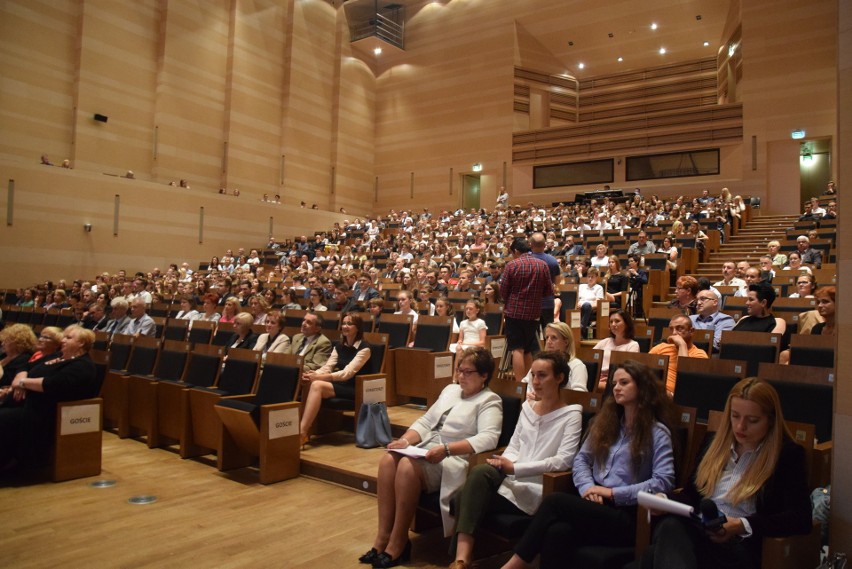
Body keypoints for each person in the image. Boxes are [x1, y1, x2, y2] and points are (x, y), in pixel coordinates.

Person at [501, 360, 677, 569]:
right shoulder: (606, 424)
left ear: (642, 388)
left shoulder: (657, 433)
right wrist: (587, 488)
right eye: (614, 383)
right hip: (594, 505)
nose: (616, 388)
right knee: (557, 532)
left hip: (628, 514)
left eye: (624, 382)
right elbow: (581, 460)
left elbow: (663, 481)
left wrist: (611, 493)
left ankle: (511, 566)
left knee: (555, 502)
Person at [641, 378, 812, 569]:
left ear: (771, 420)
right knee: (671, 526)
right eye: (735, 416)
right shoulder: (712, 443)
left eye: (752, 420)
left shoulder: (786, 455)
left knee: (652, 556)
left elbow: (800, 518)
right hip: (701, 531)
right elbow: (691, 494)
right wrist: (664, 499)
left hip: (741, 545)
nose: (740, 427)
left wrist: (741, 525)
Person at [361, 347, 502, 568]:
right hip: (428, 448)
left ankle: (398, 543)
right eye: (459, 370)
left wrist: (446, 449)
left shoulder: (490, 400)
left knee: (407, 466)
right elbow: (427, 422)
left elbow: (488, 439)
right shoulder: (450, 390)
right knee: (389, 460)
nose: (461, 376)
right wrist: (405, 441)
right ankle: (382, 537)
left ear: (484, 375)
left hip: (453, 458)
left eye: (468, 372)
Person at [449, 352, 584, 569]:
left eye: (543, 375)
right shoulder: (527, 409)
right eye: (533, 375)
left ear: (559, 378)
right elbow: (514, 446)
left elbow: (563, 460)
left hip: (537, 486)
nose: (536, 382)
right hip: (509, 478)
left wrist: (515, 468)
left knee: (463, 496)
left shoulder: (571, 415)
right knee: (479, 473)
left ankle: (461, 559)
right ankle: (461, 560)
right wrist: (504, 462)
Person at [0, 326, 99, 470]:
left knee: (3, 418)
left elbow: (51, 385)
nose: (63, 340)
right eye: (64, 336)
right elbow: (25, 365)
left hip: (45, 412)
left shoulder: (83, 366)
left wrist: (22, 382)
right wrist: (20, 377)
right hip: (25, 404)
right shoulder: (57, 356)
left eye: (68, 338)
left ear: (81, 343)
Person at [300, 314, 371, 446]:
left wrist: (319, 377)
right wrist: (314, 374)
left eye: (349, 324)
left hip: (356, 388)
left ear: (358, 328)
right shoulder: (339, 346)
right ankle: (306, 432)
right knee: (310, 382)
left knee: (318, 385)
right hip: (340, 385)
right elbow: (328, 367)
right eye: (344, 323)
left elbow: (347, 373)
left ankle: (302, 432)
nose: (345, 326)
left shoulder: (364, 348)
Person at [501, 237, 554, 381]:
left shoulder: (511, 266)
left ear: (516, 251)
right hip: (534, 313)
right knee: (529, 349)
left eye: (512, 252)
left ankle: (520, 385)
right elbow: (548, 291)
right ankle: (531, 382)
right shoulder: (542, 265)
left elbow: (503, 291)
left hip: (514, 312)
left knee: (517, 349)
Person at [521, 322, 588, 394]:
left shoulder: (577, 366)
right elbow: (524, 385)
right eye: (547, 338)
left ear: (566, 342)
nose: (549, 341)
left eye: (554, 338)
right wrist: (529, 395)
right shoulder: (540, 363)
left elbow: (579, 395)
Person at [649, 315, 708, 395]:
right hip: (655, 391)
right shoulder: (661, 348)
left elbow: (684, 377)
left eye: (679, 328)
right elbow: (643, 369)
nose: (674, 333)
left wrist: (682, 345)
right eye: (671, 329)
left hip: (678, 396)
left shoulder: (699, 354)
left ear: (691, 331)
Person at [593, 309, 640, 390]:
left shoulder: (633, 345)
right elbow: (590, 359)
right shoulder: (605, 342)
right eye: (611, 322)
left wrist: (610, 378)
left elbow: (629, 370)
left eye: (617, 321)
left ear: (626, 324)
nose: (613, 324)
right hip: (596, 377)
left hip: (616, 381)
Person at [690, 289, 735, 353]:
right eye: (697, 300)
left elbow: (715, 346)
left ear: (715, 302)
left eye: (703, 299)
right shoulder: (690, 319)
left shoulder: (726, 320)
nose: (698, 303)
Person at [577, 267, 604, 338]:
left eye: (592, 277)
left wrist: (586, 305)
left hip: (590, 308)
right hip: (578, 306)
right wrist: (577, 304)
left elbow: (598, 303)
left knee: (586, 305)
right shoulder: (581, 286)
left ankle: (580, 329)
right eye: (588, 277)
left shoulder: (599, 288)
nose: (590, 279)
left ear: (596, 277)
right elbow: (576, 299)